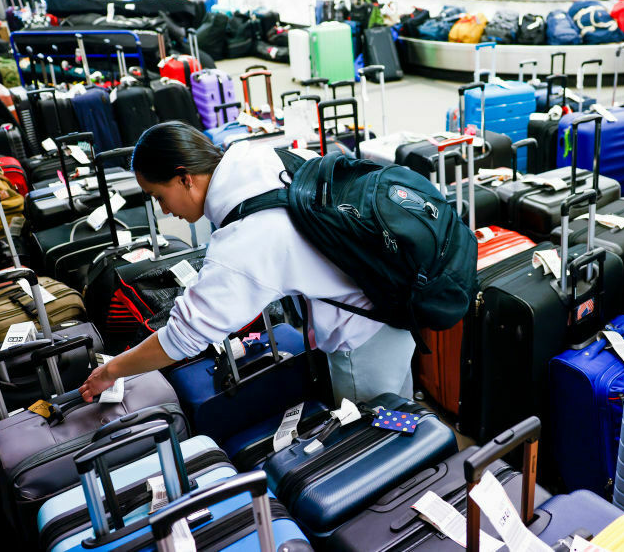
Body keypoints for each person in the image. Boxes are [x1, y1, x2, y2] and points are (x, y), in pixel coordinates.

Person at [79, 123, 415, 406]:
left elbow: (182, 338)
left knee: (381, 448)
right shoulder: (262, 157)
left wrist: (110, 372)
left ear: (185, 178)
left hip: (360, 343)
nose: (164, 211)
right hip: (394, 305)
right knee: (408, 421)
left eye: (158, 196)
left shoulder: (244, 240)